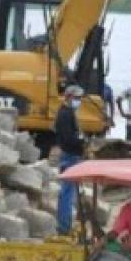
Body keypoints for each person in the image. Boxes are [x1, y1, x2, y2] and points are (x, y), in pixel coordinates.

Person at [54, 85, 85, 235]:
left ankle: (65, 224)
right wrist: (82, 142)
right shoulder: (65, 114)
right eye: (76, 98)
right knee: (67, 193)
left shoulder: (68, 112)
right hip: (69, 155)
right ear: (68, 97)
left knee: (68, 192)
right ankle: (64, 227)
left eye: (80, 98)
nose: (79, 101)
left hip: (71, 154)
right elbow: (68, 139)